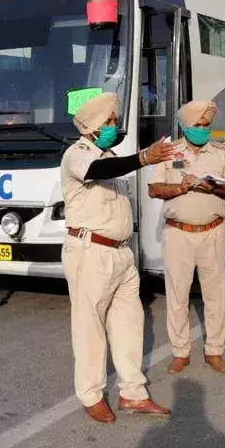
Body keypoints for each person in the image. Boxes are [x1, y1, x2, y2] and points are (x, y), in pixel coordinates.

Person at [61, 92, 175, 423]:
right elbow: (102, 168)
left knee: (129, 323)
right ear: (93, 127)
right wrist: (143, 157)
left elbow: (111, 164)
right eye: (109, 121)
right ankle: (91, 394)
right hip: (90, 253)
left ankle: (133, 393)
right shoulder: (77, 154)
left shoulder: (108, 152)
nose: (114, 125)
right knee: (89, 328)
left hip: (121, 254)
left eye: (113, 119)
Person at [148, 101, 225, 374]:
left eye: (206, 125)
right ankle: (180, 351)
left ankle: (214, 350)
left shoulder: (221, 152)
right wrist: (181, 186)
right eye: (197, 125)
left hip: (212, 231)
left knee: (215, 294)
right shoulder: (169, 152)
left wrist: (215, 188)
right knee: (177, 294)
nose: (203, 130)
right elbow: (154, 190)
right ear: (185, 127)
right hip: (178, 233)